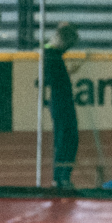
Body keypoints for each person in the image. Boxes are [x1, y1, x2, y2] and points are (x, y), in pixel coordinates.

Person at [42, 21, 81, 191]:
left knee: (67, 137)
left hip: (61, 100)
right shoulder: (51, 53)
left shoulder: (53, 54)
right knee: (66, 138)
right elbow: (52, 78)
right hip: (61, 101)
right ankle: (61, 177)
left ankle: (62, 176)